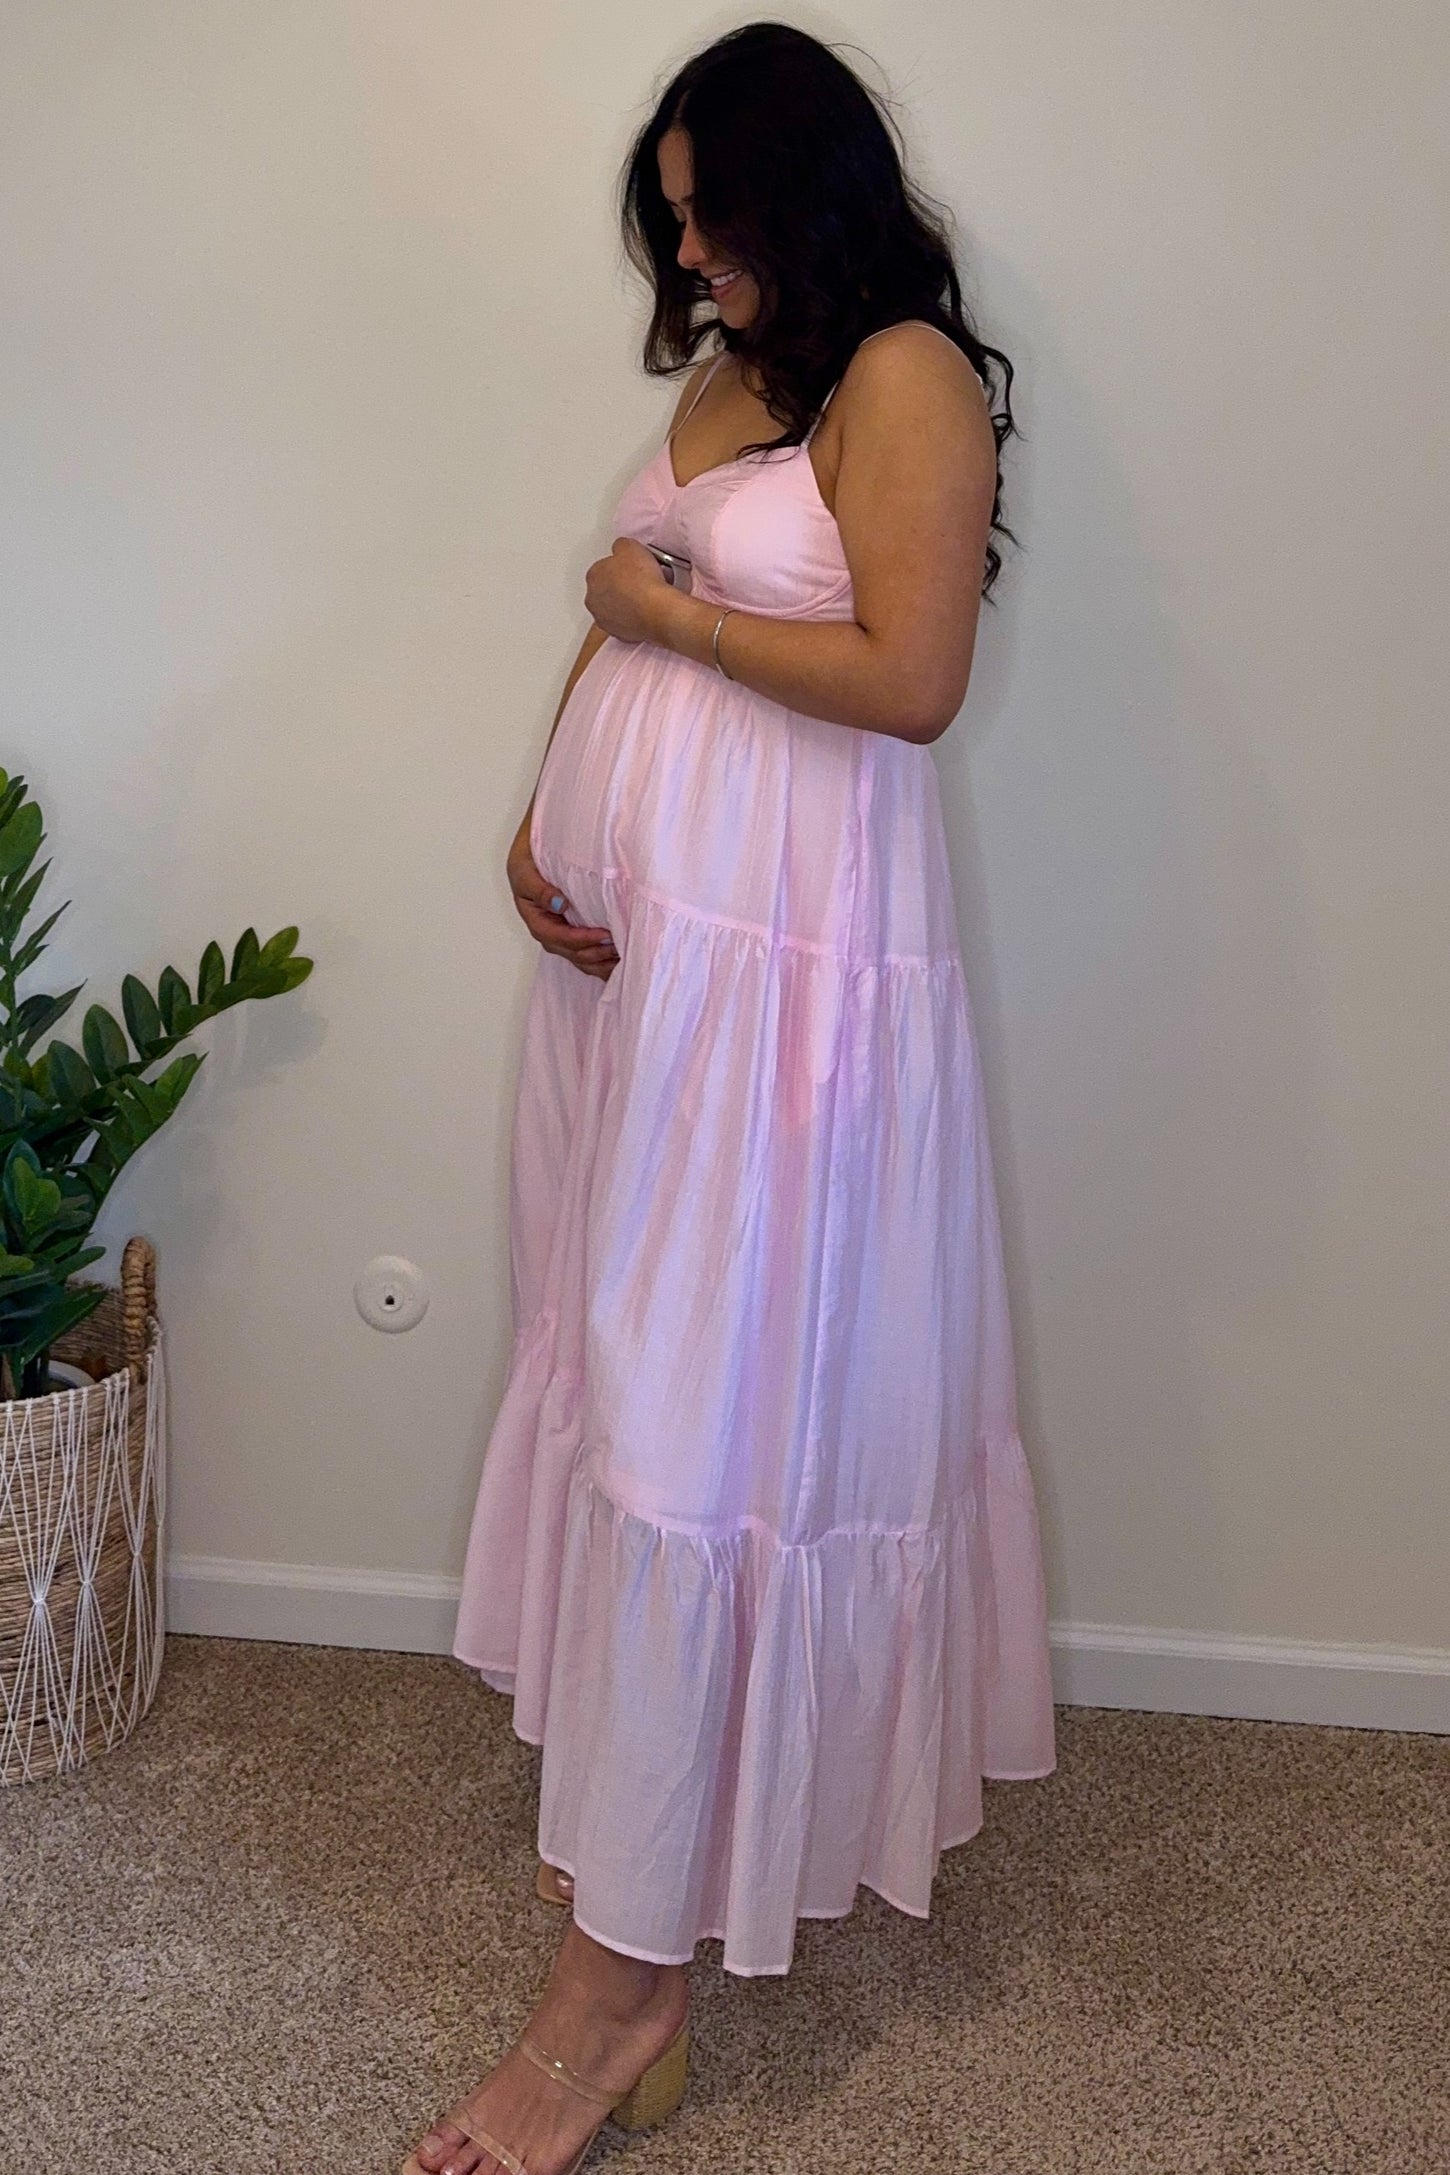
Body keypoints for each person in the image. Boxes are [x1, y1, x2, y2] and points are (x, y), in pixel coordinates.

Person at [404, 22, 1056, 2175]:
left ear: (809, 188)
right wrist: (542, 810)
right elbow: (637, 602)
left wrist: (655, 626)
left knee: (709, 1427)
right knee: (622, 1383)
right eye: (669, 216)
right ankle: (629, 1848)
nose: (684, 251)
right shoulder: (730, 375)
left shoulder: (902, 377)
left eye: (710, 209)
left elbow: (909, 680)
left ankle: (611, 2007)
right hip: (642, 984)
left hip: (787, 993)